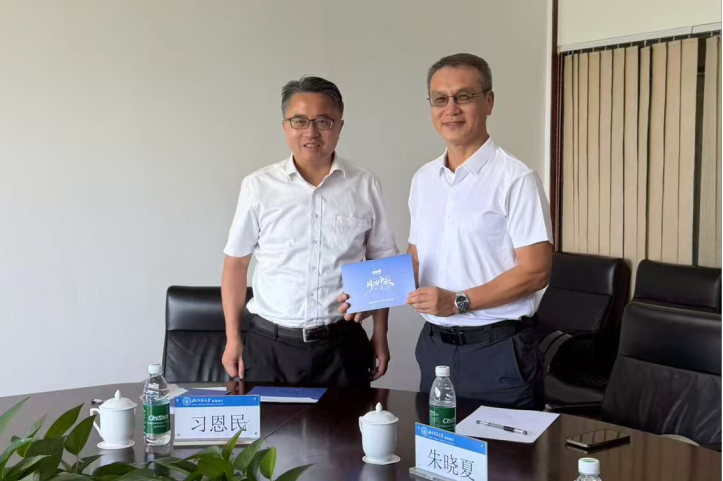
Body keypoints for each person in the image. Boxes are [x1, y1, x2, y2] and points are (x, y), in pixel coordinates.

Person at [221, 76, 398, 388]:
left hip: (342, 344)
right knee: (269, 423)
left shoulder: (364, 184)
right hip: (270, 346)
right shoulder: (258, 186)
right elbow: (236, 263)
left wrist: (380, 335)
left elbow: (382, 262)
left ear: (340, 126)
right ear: (285, 126)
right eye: (299, 121)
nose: (311, 132)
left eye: (323, 121)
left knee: (348, 423)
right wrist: (233, 339)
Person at [405, 53, 553, 409]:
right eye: (440, 99)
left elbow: (536, 271)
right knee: (436, 444)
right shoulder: (424, 179)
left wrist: (458, 301)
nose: (451, 109)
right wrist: (368, 295)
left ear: (489, 102)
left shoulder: (516, 179)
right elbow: (417, 255)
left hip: (498, 354)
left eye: (464, 96)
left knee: (500, 448)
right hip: (435, 347)